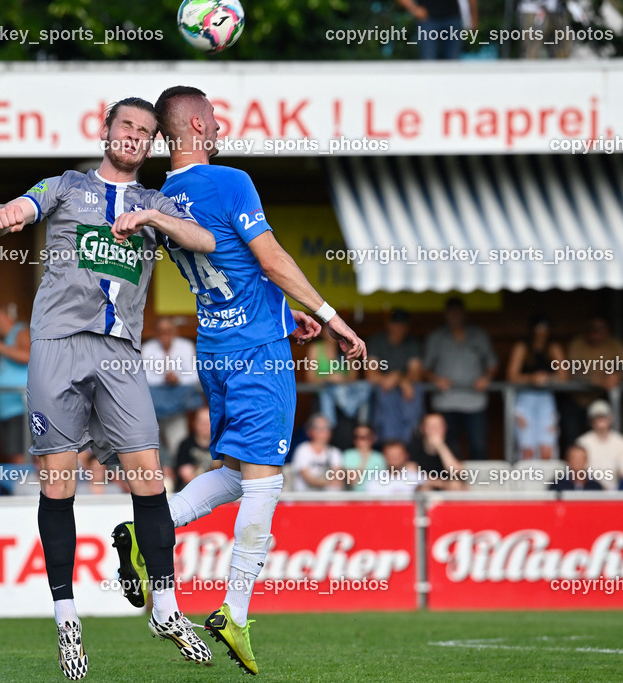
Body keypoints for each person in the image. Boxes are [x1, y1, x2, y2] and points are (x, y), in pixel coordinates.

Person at [112, 86, 366, 676]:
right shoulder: (231, 182)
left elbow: (228, 266)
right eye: (215, 118)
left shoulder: (165, 197)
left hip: (217, 348)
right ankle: (235, 611)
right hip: (258, 355)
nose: (222, 126)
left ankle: (146, 529)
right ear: (199, 125)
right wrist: (332, 318)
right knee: (265, 481)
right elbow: (270, 257)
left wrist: (285, 312)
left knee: (232, 472)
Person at [0, 95, 218, 677]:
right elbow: (7, 212)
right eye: (126, 127)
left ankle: (165, 606)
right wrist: (7, 212)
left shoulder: (155, 201)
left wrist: (155, 220)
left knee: (148, 477)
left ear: (152, 143)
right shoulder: (64, 186)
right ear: (105, 130)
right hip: (58, 347)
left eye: (145, 132)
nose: (134, 137)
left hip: (120, 355)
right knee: (59, 486)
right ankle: (68, 622)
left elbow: (205, 242)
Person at [423, 297, 496, 461]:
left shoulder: (479, 335)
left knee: (478, 445)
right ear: (446, 315)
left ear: (464, 314)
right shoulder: (436, 337)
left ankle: (479, 485)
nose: (455, 317)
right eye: (451, 313)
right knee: (447, 446)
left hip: (475, 401)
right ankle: (450, 484)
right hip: (446, 401)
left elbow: (492, 364)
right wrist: (436, 379)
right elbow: (425, 369)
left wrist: (486, 378)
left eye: (458, 313)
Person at [141, 317, 201, 481]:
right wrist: (164, 378)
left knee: (178, 443)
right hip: (154, 406)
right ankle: (162, 478)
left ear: (175, 332)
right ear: (155, 333)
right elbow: (142, 377)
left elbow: (195, 375)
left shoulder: (185, 346)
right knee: (151, 443)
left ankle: (179, 479)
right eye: (161, 332)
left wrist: (178, 379)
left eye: (168, 331)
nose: (164, 335)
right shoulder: (148, 348)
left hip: (177, 405)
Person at [506, 314, 567, 460]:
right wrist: (531, 378)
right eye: (538, 328)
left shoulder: (553, 347)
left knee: (547, 448)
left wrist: (548, 378)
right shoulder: (522, 347)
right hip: (525, 397)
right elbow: (511, 376)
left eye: (545, 328)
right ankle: (527, 481)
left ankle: (547, 481)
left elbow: (564, 376)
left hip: (546, 396)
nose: (541, 332)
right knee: (527, 449)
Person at [564, 317, 623, 448]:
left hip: (599, 400)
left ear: (607, 330)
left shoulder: (615, 345)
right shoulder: (578, 343)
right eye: (592, 329)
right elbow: (571, 372)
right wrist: (595, 379)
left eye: (600, 329)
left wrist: (617, 375)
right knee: (572, 441)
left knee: (600, 439)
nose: (595, 333)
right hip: (576, 400)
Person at [366, 309, 424, 444]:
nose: (398, 328)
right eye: (395, 324)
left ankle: (410, 442)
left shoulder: (412, 343)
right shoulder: (377, 341)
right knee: (386, 396)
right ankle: (389, 446)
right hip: (384, 393)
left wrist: (398, 378)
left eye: (402, 325)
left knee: (413, 392)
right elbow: (371, 375)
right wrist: (394, 379)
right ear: (388, 325)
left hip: (406, 392)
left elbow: (416, 373)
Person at [304, 325, 371, 439]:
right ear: (321, 331)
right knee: (332, 390)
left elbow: (354, 377)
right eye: (329, 329)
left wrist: (342, 379)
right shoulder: (315, 348)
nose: (332, 333)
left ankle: (350, 409)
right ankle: (349, 409)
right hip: (326, 390)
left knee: (367, 386)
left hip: (346, 391)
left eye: (335, 329)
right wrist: (329, 378)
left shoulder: (348, 348)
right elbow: (310, 379)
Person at [0, 304, 31, 464]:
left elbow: (28, 355)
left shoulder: (20, 331)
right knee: (11, 455)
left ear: (3, 317)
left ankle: (27, 487)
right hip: (5, 409)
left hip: (20, 407)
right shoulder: (4, 339)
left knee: (20, 456)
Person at [575, 400, 623, 491]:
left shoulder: (622, 442)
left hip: (616, 490)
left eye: (603, 417)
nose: (600, 421)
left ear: (610, 419)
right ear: (591, 421)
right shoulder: (582, 442)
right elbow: (579, 471)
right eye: (596, 417)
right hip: (590, 489)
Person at [398, 0, 477, 60]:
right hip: (428, 20)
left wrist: (473, 15)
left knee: (453, 65)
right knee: (428, 63)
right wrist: (414, 9)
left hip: (453, 19)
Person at [408, 413, 466, 491]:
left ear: (445, 428)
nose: (435, 430)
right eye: (431, 427)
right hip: (427, 485)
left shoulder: (451, 444)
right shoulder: (415, 446)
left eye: (439, 426)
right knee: (422, 488)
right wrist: (441, 484)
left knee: (456, 485)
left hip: (449, 487)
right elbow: (412, 473)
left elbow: (456, 471)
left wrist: (441, 446)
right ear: (422, 429)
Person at [288, 414, 344, 492]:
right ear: (310, 431)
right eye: (318, 428)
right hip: (304, 498)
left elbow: (337, 476)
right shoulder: (303, 450)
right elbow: (307, 477)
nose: (322, 432)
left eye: (325, 428)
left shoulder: (335, 452)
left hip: (328, 499)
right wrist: (327, 482)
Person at [174, 407, 215, 491]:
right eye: (202, 422)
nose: (205, 426)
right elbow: (185, 473)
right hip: (189, 490)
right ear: (194, 423)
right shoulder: (185, 445)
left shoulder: (221, 445)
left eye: (208, 422)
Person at [341, 424, 386, 490]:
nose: (360, 440)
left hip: (374, 496)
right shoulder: (348, 455)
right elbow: (352, 481)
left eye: (365, 437)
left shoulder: (379, 457)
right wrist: (364, 458)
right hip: (354, 497)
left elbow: (383, 482)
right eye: (357, 437)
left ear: (373, 438)